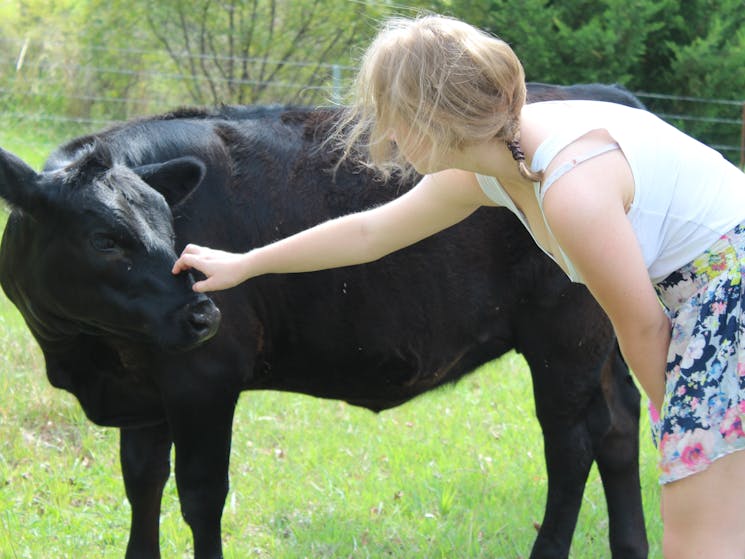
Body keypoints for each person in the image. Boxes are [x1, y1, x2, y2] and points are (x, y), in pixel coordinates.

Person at [172, 14, 745, 558]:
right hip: (707, 302)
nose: (387, 132)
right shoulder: (496, 165)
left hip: (726, 299)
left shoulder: (571, 185)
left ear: (428, 114)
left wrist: (680, 429)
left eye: (391, 113)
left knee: (701, 538)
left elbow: (642, 324)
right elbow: (372, 232)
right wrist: (247, 263)